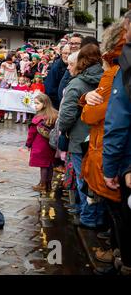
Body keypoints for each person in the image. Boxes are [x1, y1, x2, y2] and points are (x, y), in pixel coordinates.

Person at [78, 21, 125, 266]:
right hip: (110, 148)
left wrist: (86, 102)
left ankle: (119, 254)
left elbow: (93, 115)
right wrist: (87, 97)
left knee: (117, 212)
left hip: (109, 150)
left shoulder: (113, 73)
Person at [59, 44, 104, 229]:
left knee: (83, 180)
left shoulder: (77, 83)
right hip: (100, 138)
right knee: (98, 180)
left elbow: (66, 116)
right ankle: (99, 218)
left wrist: (62, 129)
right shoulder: (107, 79)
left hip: (80, 139)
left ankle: (88, 218)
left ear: (81, 62)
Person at [101, 10, 131, 275]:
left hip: (126, 163)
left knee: (124, 217)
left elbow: (117, 121)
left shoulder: (122, 70)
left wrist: (112, 167)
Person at [25, 93, 58, 191]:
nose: (35, 105)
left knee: (43, 165)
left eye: (37, 103)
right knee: (49, 165)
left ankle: (42, 184)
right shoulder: (54, 114)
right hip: (51, 145)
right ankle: (48, 184)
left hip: (40, 145)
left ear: (44, 104)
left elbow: (32, 133)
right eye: (34, 103)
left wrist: (28, 144)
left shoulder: (37, 118)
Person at [58, 33, 84, 103]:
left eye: (76, 43)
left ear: (82, 45)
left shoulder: (83, 60)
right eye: (71, 43)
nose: (73, 46)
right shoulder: (71, 58)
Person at [45, 45, 70, 109]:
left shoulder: (74, 65)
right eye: (65, 53)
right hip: (58, 104)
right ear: (61, 54)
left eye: (70, 54)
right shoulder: (56, 67)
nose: (67, 56)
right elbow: (50, 89)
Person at [0, 53, 18, 120]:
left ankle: (10, 113)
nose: (15, 58)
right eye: (14, 57)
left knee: (11, 99)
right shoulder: (4, 64)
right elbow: (1, 73)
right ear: (10, 57)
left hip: (12, 83)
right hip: (5, 83)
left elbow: (15, 75)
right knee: (4, 98)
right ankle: (5, 113)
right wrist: (4, 82)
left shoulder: (14, 65)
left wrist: (16, 83)